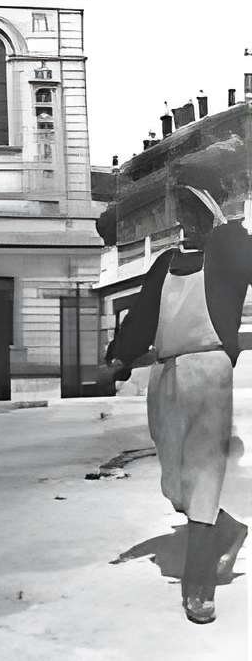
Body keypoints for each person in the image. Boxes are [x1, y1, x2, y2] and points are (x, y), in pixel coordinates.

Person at [102, 163, 249, 624]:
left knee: (203, 479)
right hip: (166, 376)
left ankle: (198, 587)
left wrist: (224, 221)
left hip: (209, 372)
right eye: (181, 210)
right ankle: (230, 530)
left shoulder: (231, 252)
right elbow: (143, 318)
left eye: (194, 208)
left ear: (212, 210)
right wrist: (118, 357)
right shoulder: (165, 263)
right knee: (176, 487)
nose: (186, 218)